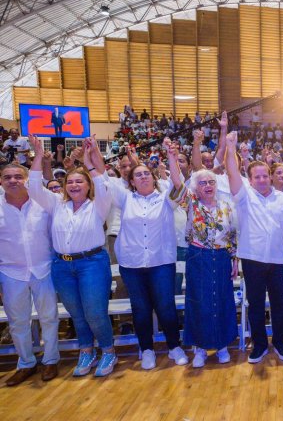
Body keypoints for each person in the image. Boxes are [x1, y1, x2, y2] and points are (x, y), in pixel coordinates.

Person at [27, 135, 117, 377]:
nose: (74, 185)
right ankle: (86, 350)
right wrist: (38, 156)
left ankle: (108, 351)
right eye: (70, 182)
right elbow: (33, 187)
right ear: (64, 185)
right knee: (77, 314)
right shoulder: (57, 203)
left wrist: (88, 162)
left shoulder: (98, 205)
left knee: (95, 313)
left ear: (88, 185)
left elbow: (104, 185)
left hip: (92, 264)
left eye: (80, 181)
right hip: (62, 266)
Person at [107, 137, 188, 370]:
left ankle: (174, 347)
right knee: (141, 309)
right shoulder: (125, 198)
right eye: (138, 175)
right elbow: (102, 178)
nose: (143, 177)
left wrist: (171, 157)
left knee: (165, 307)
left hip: (161, 262)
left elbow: (178, 182)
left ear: (153, 178)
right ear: (131, 181)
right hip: (132, 265)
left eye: (146, 174)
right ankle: (147, 349)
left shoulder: (166, 200)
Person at [223, 130, 283, 364]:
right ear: (250, 179)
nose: (262, 180)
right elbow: (232, 171)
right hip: (252, 259)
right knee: (255, 304)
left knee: (279, 304)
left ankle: (280, 342)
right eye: (258, 177)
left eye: (265, 176)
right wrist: (230, 148)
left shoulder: (282, 198)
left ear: (270, 177)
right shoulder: (244, 196)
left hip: (278, 259)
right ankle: (260, 345)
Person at [168, 134, 238, 368]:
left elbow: (232, 235)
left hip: (222, 257)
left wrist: (234, 260)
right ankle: (200, 348)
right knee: (199, 302)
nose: (208, 186)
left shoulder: (226, 206)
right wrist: (172, 158)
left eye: (211, 182)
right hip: (198, 257)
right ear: (195, 187)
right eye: (203, 183)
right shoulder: (191, 203)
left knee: (223, 300)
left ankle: (222, 346)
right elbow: (177, 182)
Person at [0, 163, 60, 385]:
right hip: (10, 272)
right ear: (1, 181)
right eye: (7, 177)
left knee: (49, 317)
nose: (13, 181)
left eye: (18, 176)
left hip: (44, 268)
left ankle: (51, 360)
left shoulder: (42, 203)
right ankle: (26, 363)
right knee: (18, 321)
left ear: (26, 179)